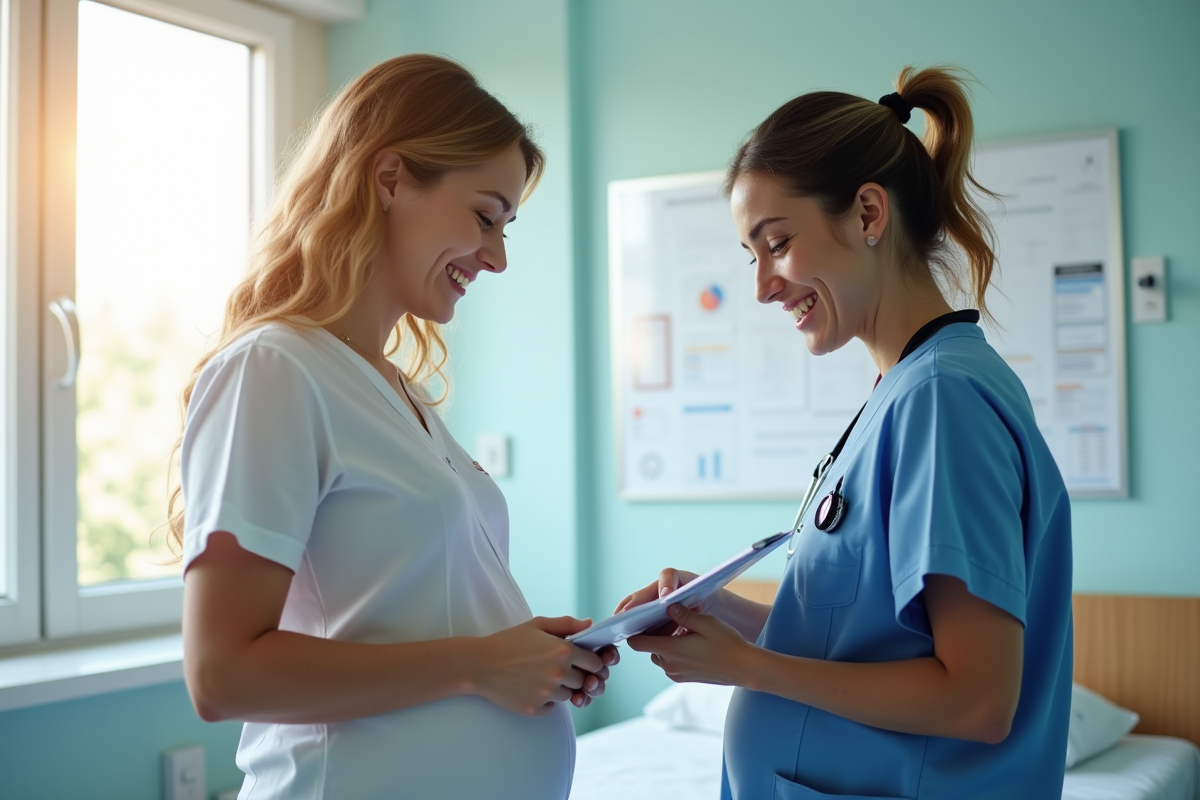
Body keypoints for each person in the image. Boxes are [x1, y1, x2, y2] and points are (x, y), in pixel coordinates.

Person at [617, 66, 1073, 800]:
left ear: (867, 214)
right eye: (752, 255)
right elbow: (876, 647)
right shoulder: (907, 394)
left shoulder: (942, 402)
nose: (763, 284)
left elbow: (977, 699)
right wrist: (733, 617)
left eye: (777, 243)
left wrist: (747, 668)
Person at [171, 54, 617, 800]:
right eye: (485, 217)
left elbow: (408, 616)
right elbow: (222, 675)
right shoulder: (275, 369)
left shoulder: (394, 391)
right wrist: (479, 662)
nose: (498, 258)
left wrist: (527, 656)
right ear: (389, 179)